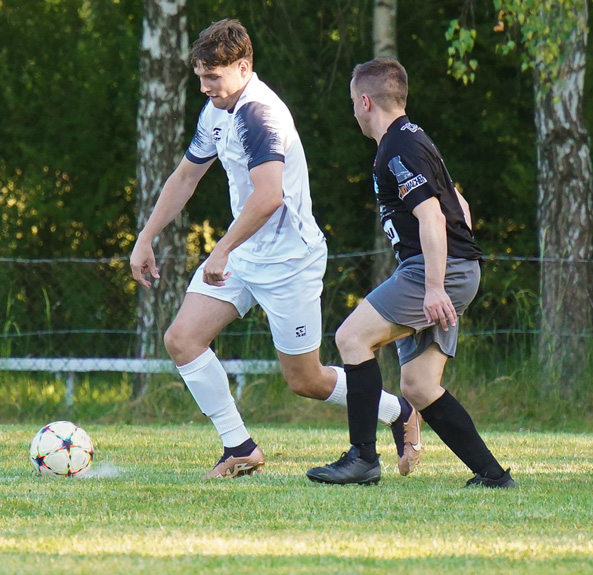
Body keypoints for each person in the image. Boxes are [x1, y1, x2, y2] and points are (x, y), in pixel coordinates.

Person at [130, 20, 421, 479]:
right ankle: (239, 447)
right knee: (182, 339)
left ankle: (397, 412)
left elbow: (269, 197)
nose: (205, 87)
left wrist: (221, 250)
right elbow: (186, 176)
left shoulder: (259, 114)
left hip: (289, 263)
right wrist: (146, 236)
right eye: (200, 77)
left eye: (213, 77)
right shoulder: (216, 111)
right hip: (244, 254)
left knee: (305, 380)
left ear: (243, 67)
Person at [306, 58, 515, 488]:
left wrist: (436, 285)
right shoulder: (416, 138)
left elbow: (434, 217)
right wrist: (457, 265)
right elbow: (462, 207)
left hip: (435, 271)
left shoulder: (395, 149)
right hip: (454, 267)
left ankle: (362, 458)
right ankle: (492, 476)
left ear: (365, 102)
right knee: (418, 386)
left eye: (352, 103)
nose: (353, 111)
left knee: (351, 337)